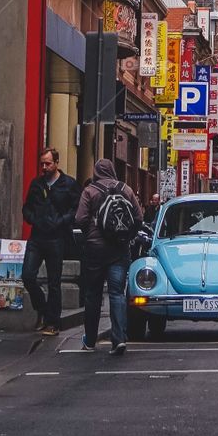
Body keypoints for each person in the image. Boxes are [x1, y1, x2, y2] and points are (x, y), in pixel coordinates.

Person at [75, 158, 142, 356]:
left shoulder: (90, 191)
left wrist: (90, 233)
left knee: (93, 294)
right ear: (112, 170)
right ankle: (119, 338)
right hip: (119, 250)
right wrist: (126, 236)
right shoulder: (126, 189)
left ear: (96, 171)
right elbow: (138, 218)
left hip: (95, 250)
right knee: (117, 293)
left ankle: (89, 340)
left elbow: (79, 219)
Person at [21, 147, 80, 338]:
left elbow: (76, 210)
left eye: (48, 164)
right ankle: (42, 309)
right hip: (37, 237)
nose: (44, 167)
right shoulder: (37, 184)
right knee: (28, 275)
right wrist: (33, 219)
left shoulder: (68, 184)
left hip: (57, 238)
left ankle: (52, 322)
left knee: (54, 282)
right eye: (42, 164)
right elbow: (27, 208)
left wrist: (61, 221)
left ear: (56, 163)